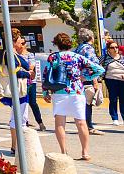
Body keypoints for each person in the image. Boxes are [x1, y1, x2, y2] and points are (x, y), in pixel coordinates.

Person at [43, 32, 104, 160]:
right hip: (76, 92)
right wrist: (86, 77)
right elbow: (99, 69)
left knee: (60, 123)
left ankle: (64, 152)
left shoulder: (53, 57)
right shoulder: (77, 57)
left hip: (59, 92)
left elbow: (46, 75)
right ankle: (85, 152)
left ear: (56, 44)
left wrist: (45, 92)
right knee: (81, 122)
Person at [1, 34, 33, 154]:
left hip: (20, 89)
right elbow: (15, 72)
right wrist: (28, 74)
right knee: (18, 118)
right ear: (14, 41)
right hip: (17, 90)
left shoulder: (13, 54)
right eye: (20, 39)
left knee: (20, 117)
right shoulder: (10, 54)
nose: (22, 41)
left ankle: (16, 145)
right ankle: (17, 146)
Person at [74, 28, 104, 134]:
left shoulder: (78, 48)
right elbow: (93, 65)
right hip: (87, 78)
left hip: (78, 79)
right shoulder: (89, 49)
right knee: (88, 102)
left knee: (82, 103)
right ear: (91, 37)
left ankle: (84, 126)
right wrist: (95, 81)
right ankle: (89, 126)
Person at [103, 40, 124, 126]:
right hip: (111, 80)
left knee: (123, 99)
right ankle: (114, 118)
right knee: (113, 99)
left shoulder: (122, 57)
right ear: (108, 49)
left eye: (116, 47)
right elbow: (95, 65)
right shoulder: (105, 58)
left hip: (122, 80)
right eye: (112, 47)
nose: (115, 49)